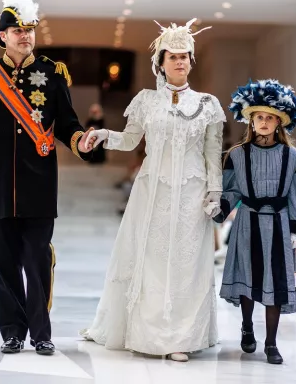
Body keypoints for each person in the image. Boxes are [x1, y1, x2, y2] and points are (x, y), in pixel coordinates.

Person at [80, 18, 225, 363]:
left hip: (192, 192)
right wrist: (102, 135)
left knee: (185, 264)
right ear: (160, 63)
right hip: (152, 189)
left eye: (184, 56)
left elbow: (212, 155)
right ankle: (144, 330)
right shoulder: (145, 100)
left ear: (191, 61)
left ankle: (181, 337)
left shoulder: (208, 104)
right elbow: (130, 141)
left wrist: (215, 193)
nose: (179, 61)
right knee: (150, 259)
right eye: (172, 56)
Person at [0, 0, 92, 356]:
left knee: (36, 259)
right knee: (4, 260)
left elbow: (67, 123)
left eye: (29, 30)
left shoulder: (53, 72)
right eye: (18, 31)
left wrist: (81, 140)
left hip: (39, 183)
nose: (25, 36)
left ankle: (41, 333)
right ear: (3, 36)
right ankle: (12, 331)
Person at [213, 79, 296, 364]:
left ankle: (271, 342)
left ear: (279, 122)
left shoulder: (294, 158)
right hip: (247, 222)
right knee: (247, 277)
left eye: (270, 117)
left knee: (275, 282)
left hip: (279, 224)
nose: (265, 122)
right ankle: (247, 326)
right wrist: (218, 209)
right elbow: (231, 189)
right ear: (251, 121)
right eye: (260, 117)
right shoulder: (238, 155)